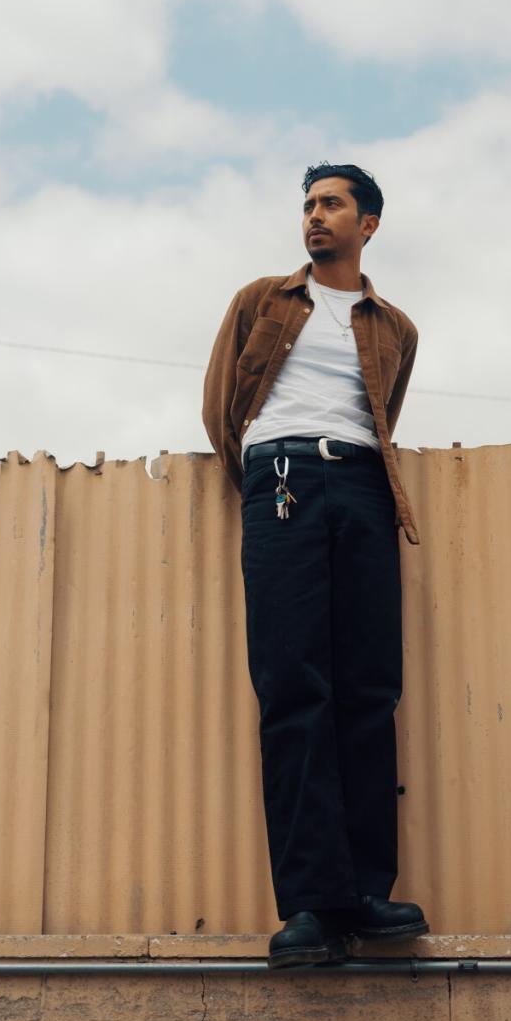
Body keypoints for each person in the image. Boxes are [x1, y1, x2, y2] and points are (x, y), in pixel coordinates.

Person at [202, 162, 427, 968]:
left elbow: (386, 412)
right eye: (308, 205)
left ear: (368, 223)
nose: (314, 216)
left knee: (369, 689)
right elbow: (222, 407)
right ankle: (309, 905)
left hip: (366, 486)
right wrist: (267, 476)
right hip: (284, 483)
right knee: (295, 690)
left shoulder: (393, 326)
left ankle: (365, 892)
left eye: (331, 204)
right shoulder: (260, 300)